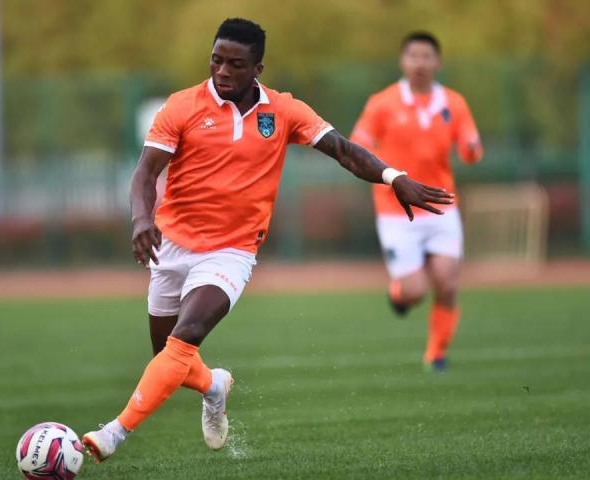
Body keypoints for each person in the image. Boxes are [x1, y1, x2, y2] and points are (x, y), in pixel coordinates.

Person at [82, 19, 454, 463]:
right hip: (171, 245)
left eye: (235, 64)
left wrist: (393, 177)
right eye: (216, 60)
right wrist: (142, 219)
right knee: (166, 358)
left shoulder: (283, 111)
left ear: (257, 68)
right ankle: (214, 385)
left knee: (185, 339)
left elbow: (343, 150)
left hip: (232, 250)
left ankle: (114, 433)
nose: (223, 71)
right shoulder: (181, 106)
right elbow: (145, 173)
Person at [349, 32, 483, 372]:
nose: (420, 63)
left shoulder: (454, 103)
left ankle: (436, 355)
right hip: (396, 211)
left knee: (447, 284)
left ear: (437, 62)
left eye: (427, 56)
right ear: (402, 61)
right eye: (413, 56)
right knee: (414, 292)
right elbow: (357, 145)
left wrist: (471, 150)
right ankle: (400, 294)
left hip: (441, 206)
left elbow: (471, 149)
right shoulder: (382, 103)